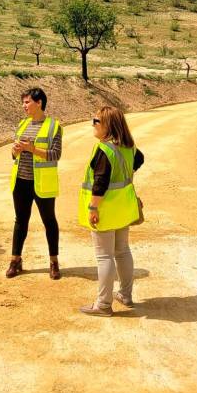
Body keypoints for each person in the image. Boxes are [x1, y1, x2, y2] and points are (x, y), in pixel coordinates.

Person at [78, 106, 144, 317]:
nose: (93, 124)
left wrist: (93, 207)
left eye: (96, 120)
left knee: (104, 256)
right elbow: (140, 159)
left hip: (105, 210)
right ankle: (125, 294)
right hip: (123, 209)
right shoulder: (127, 147)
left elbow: (100, 184)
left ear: (107, 125)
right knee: (122, 250)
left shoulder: (105, 150)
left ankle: (104, 304)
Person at [7, 88, 62, 280]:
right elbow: (13, 155)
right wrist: (15, 150)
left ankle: (54, 262)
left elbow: (56, 155)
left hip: (42, 183)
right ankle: (15, 260)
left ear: (39, 103)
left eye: (27, 102)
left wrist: (32, 149)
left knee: (49, 222)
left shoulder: (54, 126)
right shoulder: (22, 125)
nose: (24, 106)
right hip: (21, 182)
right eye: (23, 102)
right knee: (20, 221)